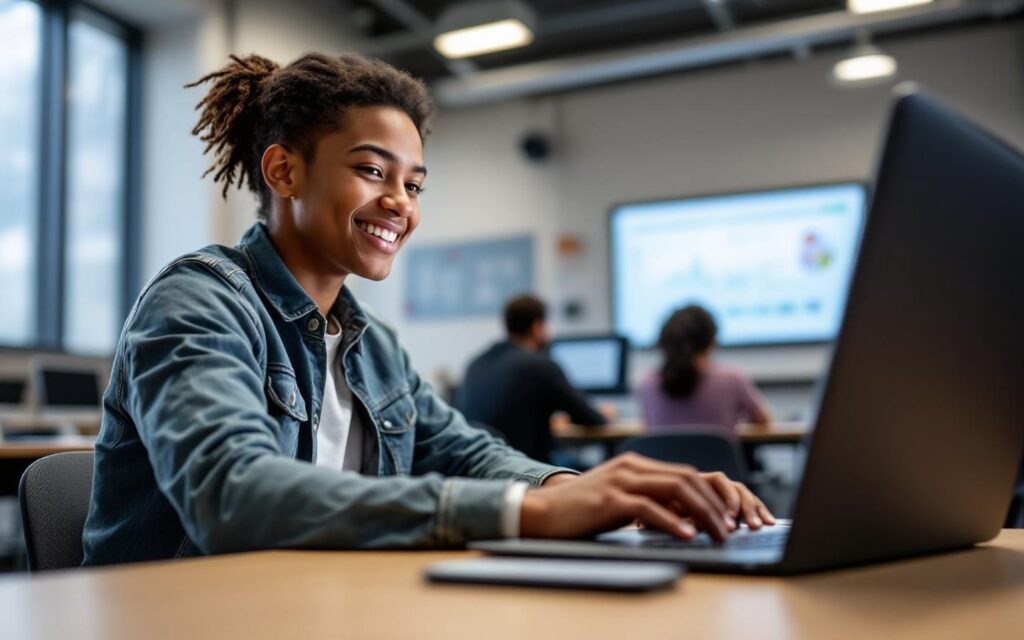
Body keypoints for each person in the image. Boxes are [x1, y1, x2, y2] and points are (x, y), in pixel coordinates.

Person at [81, 53, 774, 566]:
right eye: (372, 171)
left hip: (307, 619)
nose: (400, 204)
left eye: (413, 183)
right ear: (284, 172)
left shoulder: (370, 341)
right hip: (171, 639)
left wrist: (591, 488)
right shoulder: (198, 303)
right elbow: (232, 495)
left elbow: (465, 453)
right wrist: (531, 510)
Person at [458, 295, 610, 463]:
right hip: (529, 469)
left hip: (482, 470)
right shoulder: (540, 365)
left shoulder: (475, 364)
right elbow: (590, 419)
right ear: (537, 327)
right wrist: (604, 414)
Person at [637, 305, 772, 429]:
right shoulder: (731, 378)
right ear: (712, 340)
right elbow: (763, 421)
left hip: (659, 457)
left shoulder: (648, 384)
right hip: (719, 456)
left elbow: (649, 424)